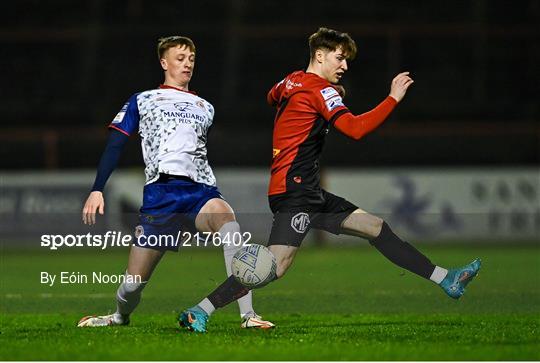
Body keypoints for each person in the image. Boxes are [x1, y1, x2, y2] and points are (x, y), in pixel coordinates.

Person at [178, 27, 481, 333]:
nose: (344, 66)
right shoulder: (320, 90)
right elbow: (356, 129)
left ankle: (447, 279)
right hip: (296, 191)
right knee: (273, 267)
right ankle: (199, 311)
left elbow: (273, 95)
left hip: (307, 191)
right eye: (339, 58)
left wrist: (300, 100)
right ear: (319, 56)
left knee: (374, 227)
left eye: (346, 60)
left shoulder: (293, 80)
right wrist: (392, 98)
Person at [77, 35, 274, 329]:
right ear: (163, 62)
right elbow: (115, 144)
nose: (187, 64)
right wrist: (97, 189)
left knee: (229, 222)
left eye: (191, 59)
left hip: (200, 191)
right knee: (132, 286)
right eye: (180, 58)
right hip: (161, 196)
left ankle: (249, 315)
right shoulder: (143, 100)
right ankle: (119, 316)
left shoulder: (204, 106)